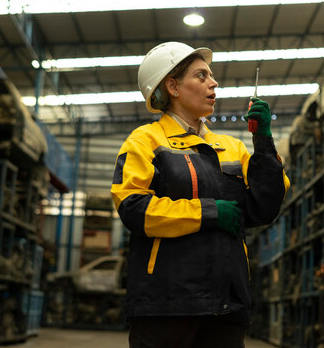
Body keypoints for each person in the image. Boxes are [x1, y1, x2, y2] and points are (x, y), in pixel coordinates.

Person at [111, 41, 290, 348]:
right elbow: (133, 207)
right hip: (165, 305)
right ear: (173, 86)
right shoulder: (145, 141)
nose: (214, 82)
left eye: (211, 75)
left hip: (226, 306)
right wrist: (208, 213)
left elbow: (263, 207)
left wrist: (263, 142)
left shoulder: (231, 147)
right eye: (202, 76)